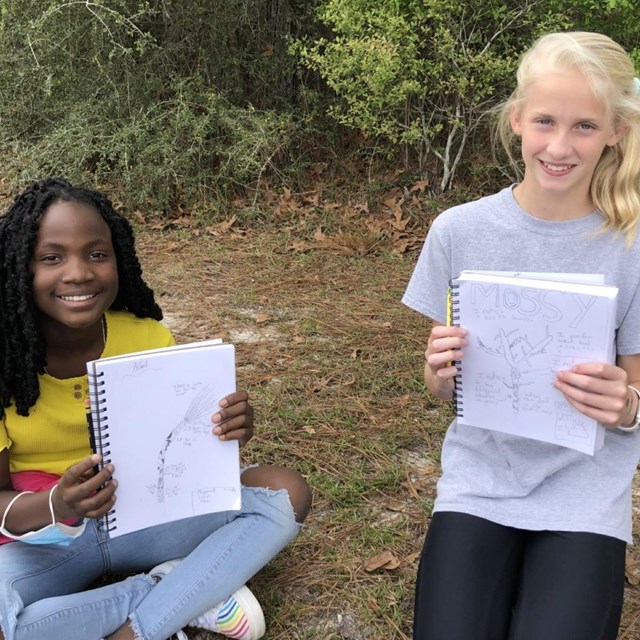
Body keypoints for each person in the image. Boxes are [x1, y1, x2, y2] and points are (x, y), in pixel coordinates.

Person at [402, 31, 640, 640]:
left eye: (585, 126)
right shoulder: (458, 231)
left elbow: (635, 398)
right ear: (516, 121)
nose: (560, 146)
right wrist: (439, 374)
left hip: (585, 491)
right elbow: (446, 389)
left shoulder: (631, 247)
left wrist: (627, 406)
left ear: (615, 130)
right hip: (479, 483)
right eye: (545, 121)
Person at [0, 177, 312, 640]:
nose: (78, 272)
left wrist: (226, 429)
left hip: (146, 517)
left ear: (119, 259)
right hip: (50, 540)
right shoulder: (4, 362)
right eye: (51, 257)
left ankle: (135, 633)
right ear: (19, 269)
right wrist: (59, 502)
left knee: (284, 493)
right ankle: (169, 589)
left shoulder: (146, 337)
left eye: (97, 253)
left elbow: (181, 449)